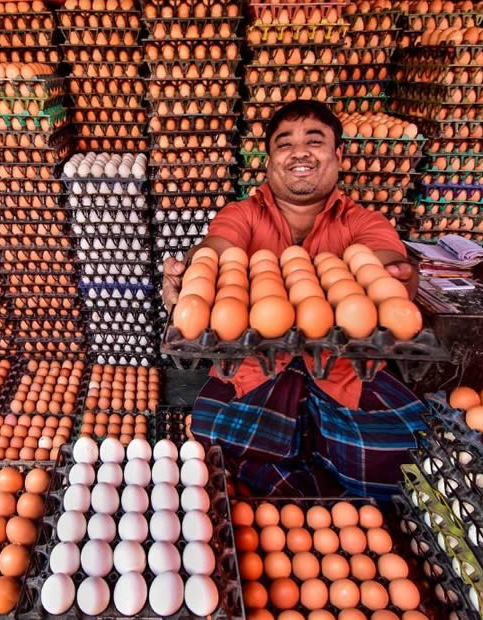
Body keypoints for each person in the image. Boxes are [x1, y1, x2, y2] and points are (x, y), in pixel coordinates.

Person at [161, 100, 426, 500]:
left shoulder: (363, 221)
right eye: (285, 144)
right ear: (269, 160)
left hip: (344, 372)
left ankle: (311, 496)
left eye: (314, 141)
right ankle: (324, 502)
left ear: (338, 155)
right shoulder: (243, 214)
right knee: (212, 436)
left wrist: (392, 280)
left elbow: (386, 264)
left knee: (397, 451)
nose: (299, 152)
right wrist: (194, 280)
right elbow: (214, 252)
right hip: (258, 367)